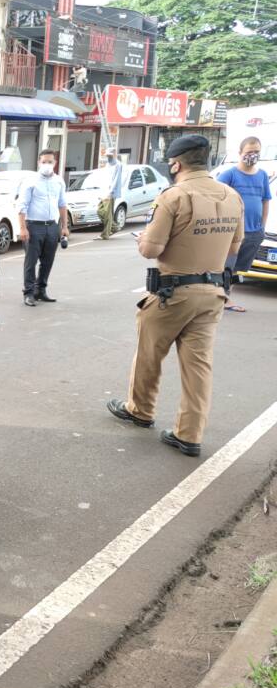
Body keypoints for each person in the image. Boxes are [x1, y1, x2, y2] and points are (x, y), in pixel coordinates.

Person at [107, 135, 244, 457]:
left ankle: (140, 410)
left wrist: (144, 239)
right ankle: (190, 434)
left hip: (173, 293)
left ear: (175, 164)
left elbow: (151, 249)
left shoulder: (174, 196)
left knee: (149, 354)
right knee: (199, 366)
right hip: (213, 293)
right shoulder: (231, 196)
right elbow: (234, 247)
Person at [216, 136, 270, 312]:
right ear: (240, 152)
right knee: (226, 266)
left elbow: (265, 201)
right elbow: (215, 199)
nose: (253, 155)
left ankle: (225, 297)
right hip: (233, 232)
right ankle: (221, 299)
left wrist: (262, 227)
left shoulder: (262, 175)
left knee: (238, 269)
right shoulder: (229, 174)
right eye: (249, 152)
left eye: (256, 152)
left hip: (254, 232)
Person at [18, 149, 69, 306]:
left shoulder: (59, 181)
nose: (47, 164)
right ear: (38, 162)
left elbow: (62, 204)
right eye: (44, 161)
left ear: (55, 163)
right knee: (31, 262)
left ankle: (41, 290)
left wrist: (64, 226)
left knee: (47, 261)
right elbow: (22, 206)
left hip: (52, 226)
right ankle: (29, 293)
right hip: (34, 226)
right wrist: (23, 228)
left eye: (50, 162)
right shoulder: (30, 181)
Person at [99, 148, 124, 240]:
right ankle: (114, 227)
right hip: (104, 191)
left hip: (111, 193)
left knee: (107, 213)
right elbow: (105, 178)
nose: (108, 157)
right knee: (101, 211)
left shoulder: (118, 165)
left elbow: (116, 180)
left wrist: (110, 192)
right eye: (107, 155)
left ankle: (105, 234)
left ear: (114, 155)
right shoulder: (108, 164)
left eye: (110, 155)